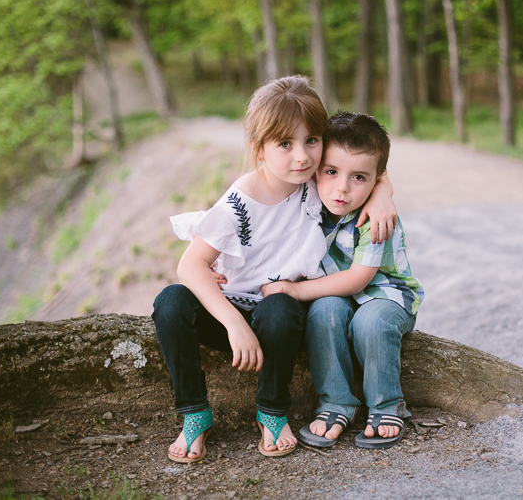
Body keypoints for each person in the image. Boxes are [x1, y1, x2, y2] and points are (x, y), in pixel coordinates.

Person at [152, 78, 396, 462]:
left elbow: (363, 165)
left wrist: (383, 192)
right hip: (232, 314)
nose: (301, 157)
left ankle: (271, 410)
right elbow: (189, 264)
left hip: (280, 316)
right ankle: (194, 413)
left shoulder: (316, 181)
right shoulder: (238, 203)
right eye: (285, 144)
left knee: (280, 305)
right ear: (259, 149)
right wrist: (234, 324)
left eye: (311, 141)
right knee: (169, 302)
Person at [262, 111, 423, 449]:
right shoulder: (305, 196)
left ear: (377, 178)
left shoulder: (374, 217)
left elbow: (357, 279)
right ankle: (336, 403)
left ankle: (385, 405)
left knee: (371, 323)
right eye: (331, 172)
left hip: (386, 295)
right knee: (323, 314)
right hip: (333, 295)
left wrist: (294, 290)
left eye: (360, 178)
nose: (342, 188)